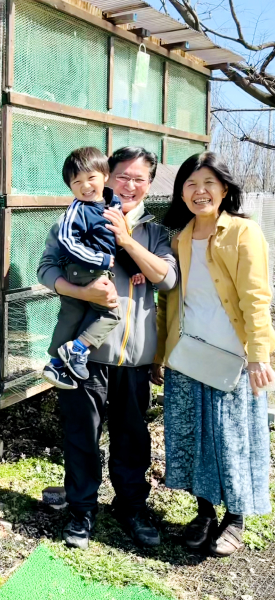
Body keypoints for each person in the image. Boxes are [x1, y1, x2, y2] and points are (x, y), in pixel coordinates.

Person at [38, 146, 178, 550]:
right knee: (82, 436)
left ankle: (131, 508)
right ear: (105, 175)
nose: (130, 185)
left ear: (149, 185)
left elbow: (166, 279)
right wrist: (81, 290)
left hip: (135, 358)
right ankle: (81, 512)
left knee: (133, 438)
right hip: (83, 358)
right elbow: (46, 269)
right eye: (123, 176)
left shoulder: (155, 232)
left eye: (140, 179)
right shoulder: (72, 220)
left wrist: (126, 240)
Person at [152, 152, 274, 557]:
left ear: (224, 189)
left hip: (233, 358)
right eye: (190, 183)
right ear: (181, 192)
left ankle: (235, 520)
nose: (199, 191)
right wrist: (160, 354)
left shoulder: (243, 232)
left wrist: (260, 355)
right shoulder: (179, 236)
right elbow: (169, 299)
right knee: (192, 436)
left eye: (208, 183)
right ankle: (204, 512)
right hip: (188, 356)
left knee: (232, 440)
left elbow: (257, 298)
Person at [42, 147, 144, 390]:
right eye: (77, 182)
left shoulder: (111, 207)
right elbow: (67, 242)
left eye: (91, 178)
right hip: (82, 270)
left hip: (90, 269)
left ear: (105, 176)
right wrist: (99, 261)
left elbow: (115, 243)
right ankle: (76, 348)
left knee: (71, 315)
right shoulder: (78, 209)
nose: (85, 186)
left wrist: (131, 268)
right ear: (70, 187)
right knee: (111, 313)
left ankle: (55, 363)